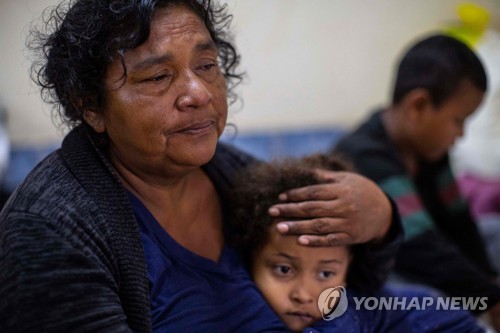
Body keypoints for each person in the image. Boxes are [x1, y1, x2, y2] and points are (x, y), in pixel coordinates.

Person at [0, 1, 401, 332]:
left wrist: (381, 221)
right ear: (89, 105)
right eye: (158, 76)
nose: (198, 93)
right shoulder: (48, 228)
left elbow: (342, 295)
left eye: (207, 66)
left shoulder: (235, 174)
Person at [332, 34, 500, 331]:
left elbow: (459, 220)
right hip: (384, 266)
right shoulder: (366, 157)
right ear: (418, 106)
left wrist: (487, 279)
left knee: (494, 230)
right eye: (458, 120)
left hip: (427, 248)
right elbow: (419, 246)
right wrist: (488, 299)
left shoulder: (431, 151)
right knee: (424, 298)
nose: (460, 135)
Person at [229, 153, 485, 333]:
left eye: (325, 273)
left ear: (347, 271)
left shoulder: (343, 317)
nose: (304, 294)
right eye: (283, 269)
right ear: (250, 258)